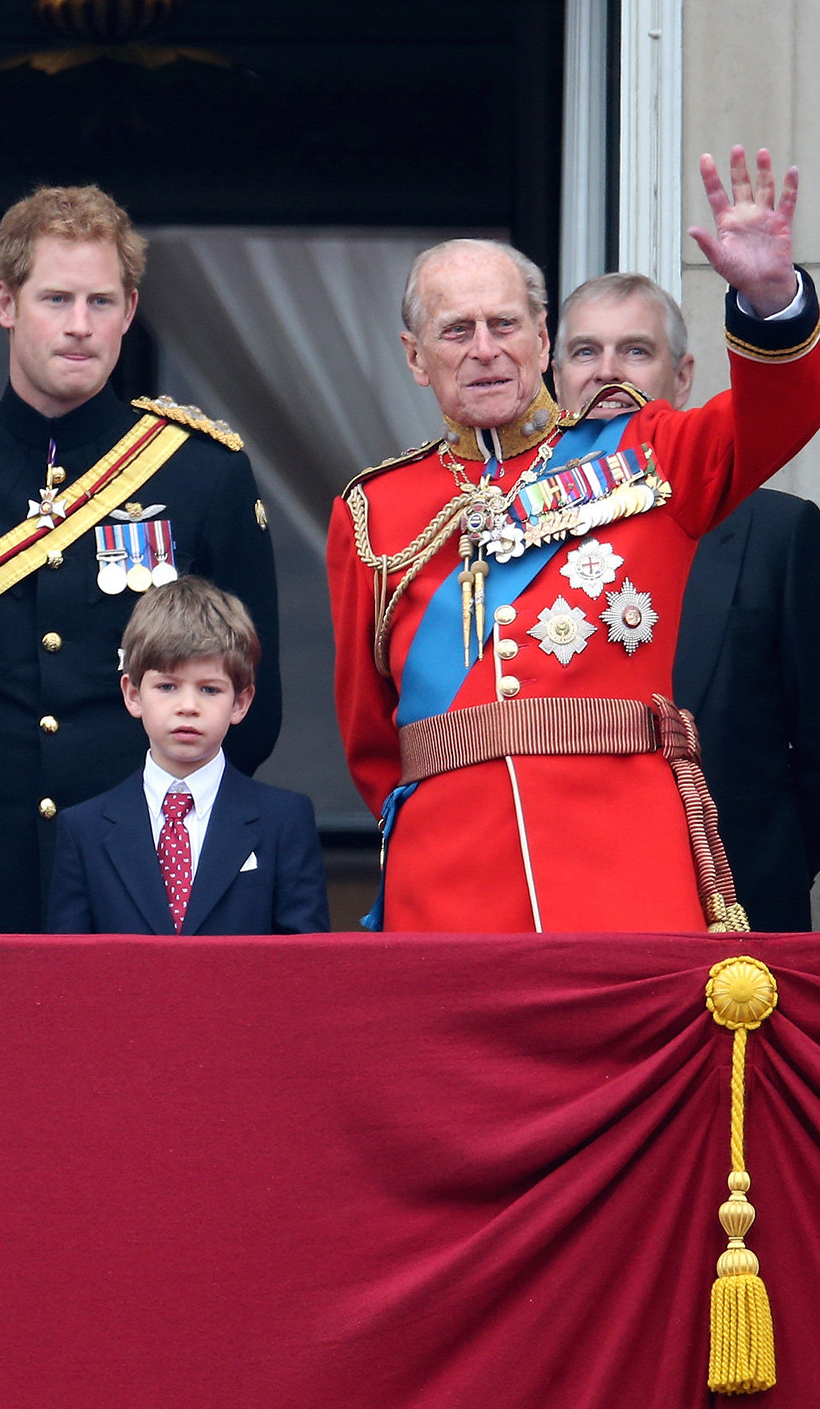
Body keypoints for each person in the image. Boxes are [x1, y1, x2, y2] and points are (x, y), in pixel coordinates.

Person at [328, 146, 819, 933]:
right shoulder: (372, 510)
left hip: (623, 876)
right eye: (456, 330)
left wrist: (768, 297)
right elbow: (370, 738)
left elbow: (777, 417)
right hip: (445, 890)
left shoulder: (644, 450)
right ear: (415, 357)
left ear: (542, 337)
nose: (484, 348)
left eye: (505, 324)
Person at [0, 183, 281, 936]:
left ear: (129, 312)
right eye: (55, 299)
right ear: (5, 303)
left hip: (141, 867)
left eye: (101, 302)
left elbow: (253, 710)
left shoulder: (202, 472)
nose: (79, 327)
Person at [557, 270, 820, 931]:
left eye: (635, 351)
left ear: (682, 375)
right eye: (584, 351)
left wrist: (772, 869)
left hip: (739, 915)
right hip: (564, 908)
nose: (606, 371)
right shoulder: (510, 538)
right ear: (553, 374)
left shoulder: (777, 533)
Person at [44, 578, 325, 936]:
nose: (188, 707)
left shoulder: (283, 821)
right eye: (167, 686)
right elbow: (68, 972)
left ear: (240, 702)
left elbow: (306, 965)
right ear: (133, 694)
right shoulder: (84, 830)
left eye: (210, 689)